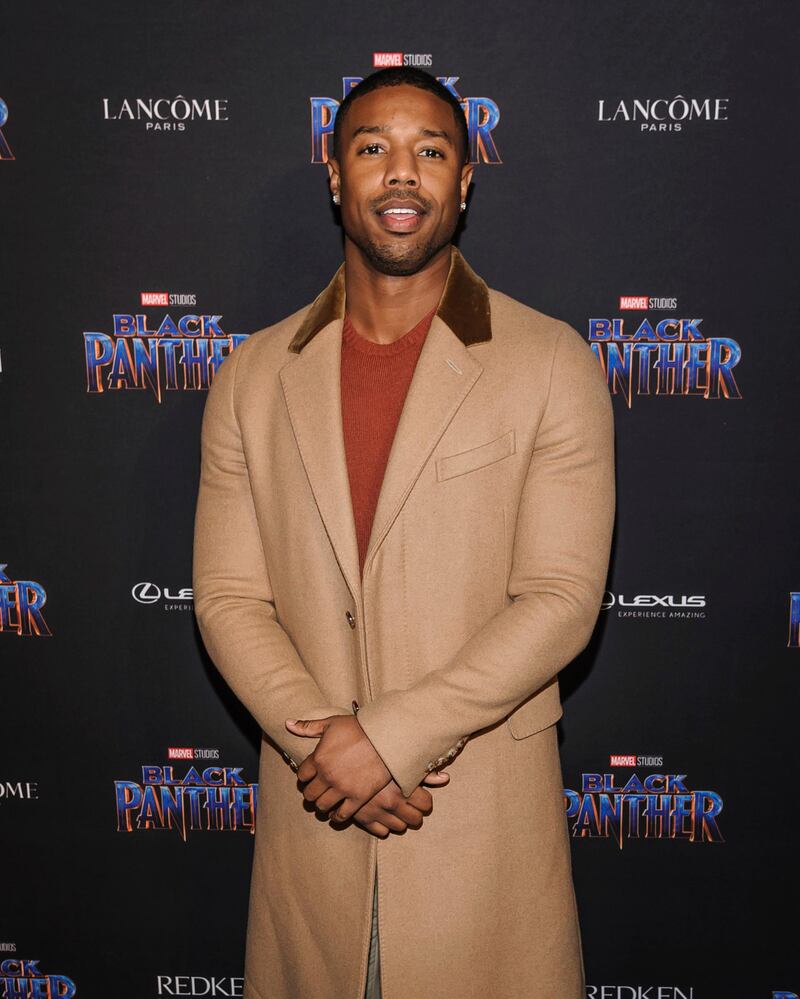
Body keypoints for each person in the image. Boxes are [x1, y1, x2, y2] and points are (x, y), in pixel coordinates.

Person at [192, 66, 615, 999]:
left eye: (431, 151)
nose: (401, 173)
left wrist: (386, 737)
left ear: (465, 182)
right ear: (334, 175)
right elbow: (228, 598)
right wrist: (321, 745)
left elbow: (560, 599)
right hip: (317, 825)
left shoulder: (550, 362)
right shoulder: (251, 377)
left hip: (480, 827)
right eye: (372, 148)